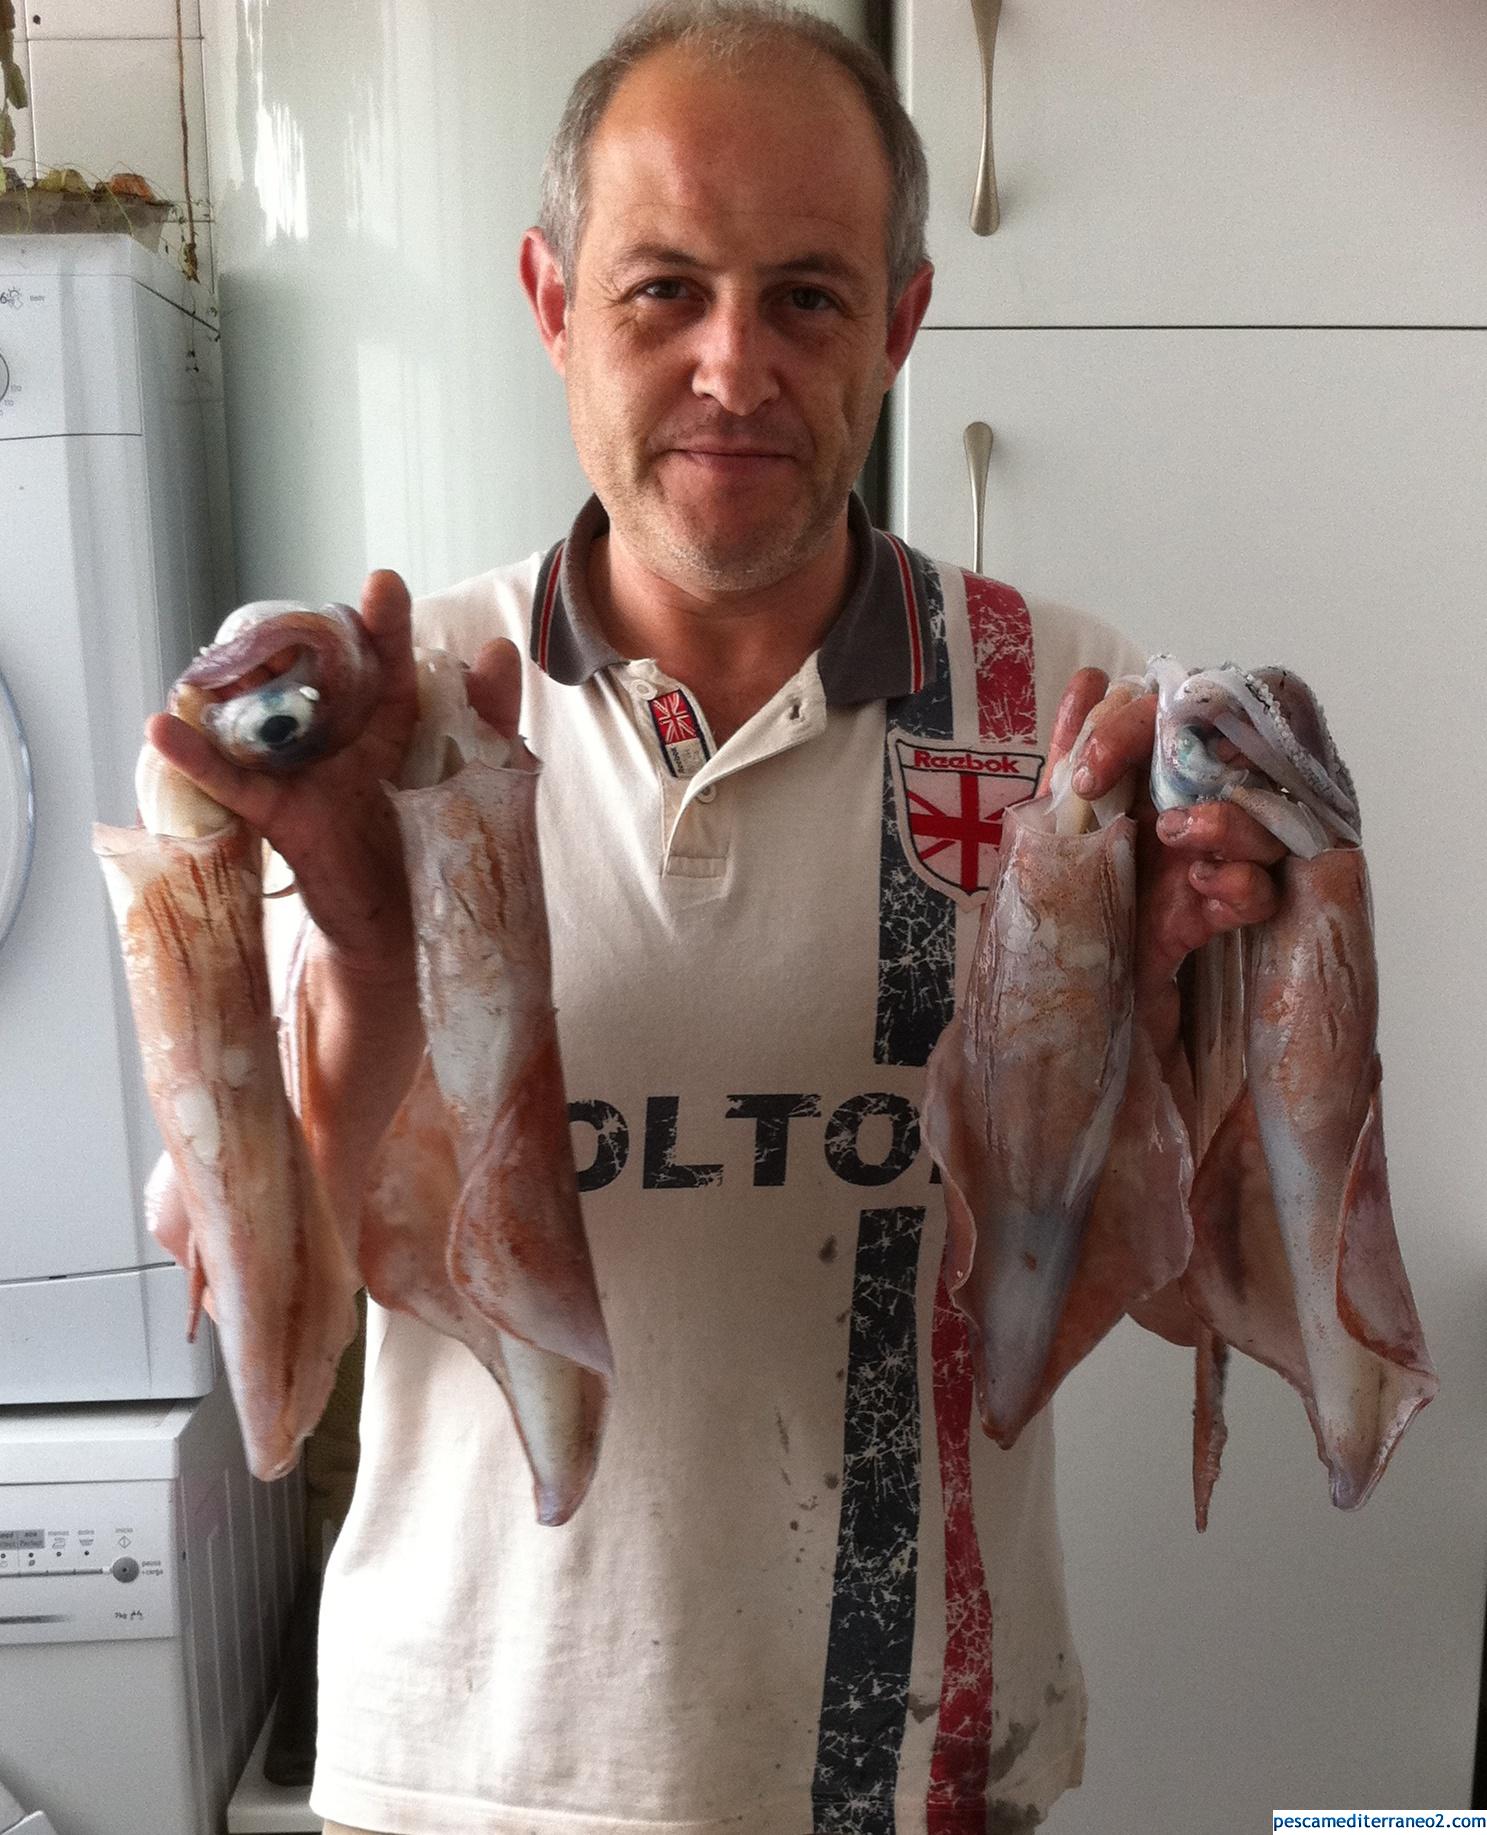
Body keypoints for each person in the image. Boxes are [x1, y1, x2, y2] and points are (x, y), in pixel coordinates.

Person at [151, 5, 1284, 1831]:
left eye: (808, 298)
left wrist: (1148, 1034)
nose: (733, 366)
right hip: (470, 1766)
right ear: (551, 302)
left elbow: (1180, 1289)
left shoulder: (1067, 717)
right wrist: (365, 944)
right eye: (663, 290)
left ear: (901, 324)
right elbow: (276, 1298)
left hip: (913, 1765)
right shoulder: (389, 712)